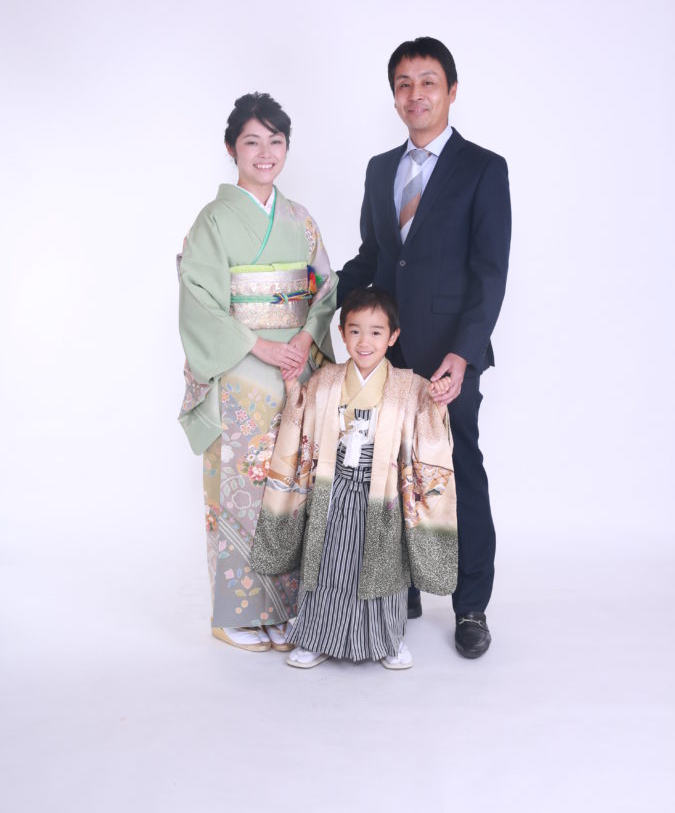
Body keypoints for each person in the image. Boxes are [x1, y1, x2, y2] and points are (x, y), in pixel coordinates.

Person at [336, 37, 511, 659]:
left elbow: (490, 272)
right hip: (387, 353)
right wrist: (331, 308)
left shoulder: (483, 168)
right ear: (394, 97)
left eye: (428, 82)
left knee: (458, 472)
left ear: (451, 91)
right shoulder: (380, 168)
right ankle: (401, 589)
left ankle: (471, 605)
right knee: (388, 469)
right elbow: (375, 257)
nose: (416, 94)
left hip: (448, 357)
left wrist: (464, 354)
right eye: (404, 84)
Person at [178, 92, 338, 653]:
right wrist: (261, 346)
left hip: (294, 372)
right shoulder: (213, 221)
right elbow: (199, 300)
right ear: (232, 148)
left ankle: (286, 608)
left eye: (276, 141)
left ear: (287, 148)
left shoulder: (301, 220)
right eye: (252, 141)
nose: (265, 152)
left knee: (292, 487)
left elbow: (325, 287)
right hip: (240, 375)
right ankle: (235, 613)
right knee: (240, 488)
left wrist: (304, 337)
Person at [251, 286, 457, 670]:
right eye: (355, 330)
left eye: (376, 332)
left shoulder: (409, 385)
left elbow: (427, 427)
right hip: (332, 487)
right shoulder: (327, 379)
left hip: (382, 493)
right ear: (342, 333)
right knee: (329, 564)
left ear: (393, 337)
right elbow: (302, 416)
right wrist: (294, 388)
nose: (365, 341)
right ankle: (317, 637)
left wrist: (436, 401)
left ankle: (388, 639)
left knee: (382, 568)